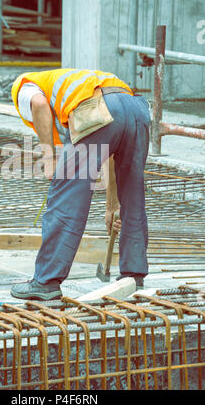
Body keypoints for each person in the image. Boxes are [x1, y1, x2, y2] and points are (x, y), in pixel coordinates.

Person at [10, 68, 151, 300]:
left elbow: (39, 104)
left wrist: (49, 158)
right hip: (136, 110)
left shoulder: (23, 85)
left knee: (67, 199)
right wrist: (111, 206)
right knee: (133, 195)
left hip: (97, 109)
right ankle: (133, 275)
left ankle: (46, 281)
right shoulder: (75, 81)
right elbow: (113, 156)